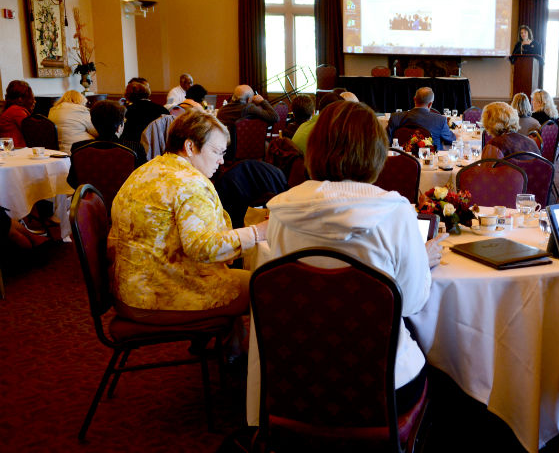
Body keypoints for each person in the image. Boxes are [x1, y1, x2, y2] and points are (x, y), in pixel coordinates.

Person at [265, 100, 447, 412]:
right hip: (382, 382)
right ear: (376, 152)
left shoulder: (281, 209)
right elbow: (413, 302)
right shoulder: (394, 211)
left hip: (296, 377)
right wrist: (422, 257)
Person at [109, 110, 267, 356]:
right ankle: (263, 367)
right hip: (157, 296)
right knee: (267, 285)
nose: (221, 162)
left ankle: (230, 346)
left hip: (129, 288)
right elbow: (203, 248)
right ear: (190, 147)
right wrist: (258, 233)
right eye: (217, 152)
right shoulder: (189, 183)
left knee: (233, 275)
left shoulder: (147, 170)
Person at [68, 100, 147, 187]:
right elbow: (142, 179)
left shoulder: (78, 147)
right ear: (119, 127)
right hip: (123, 199)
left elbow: (72, 181)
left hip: (89, 199)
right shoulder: (135, 148)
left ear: (94, 125)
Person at [386, 87, 456, 148]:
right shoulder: (440, 120)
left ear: (414, 99)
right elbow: (451, 140)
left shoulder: (395, 117)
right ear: (430, 104)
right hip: (430, 159)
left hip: (402, 159)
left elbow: (386, 141)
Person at [0, 80, 34, 148]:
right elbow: (33, 132)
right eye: (30, 97)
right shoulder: (16, 111)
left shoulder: (10, 109)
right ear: (20, 99)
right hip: (16, 151)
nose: (33, 100)